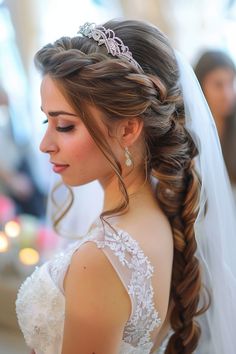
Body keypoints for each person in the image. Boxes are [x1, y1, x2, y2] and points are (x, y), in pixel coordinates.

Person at [15, 19, 236, 354]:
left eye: (64, 125)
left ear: (128, 129)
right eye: (47, 120)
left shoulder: (103, 259)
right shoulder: (157, 215)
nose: (45, 144)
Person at [194, 50, 236, 185]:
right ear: (200, 86)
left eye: (231, 83)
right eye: (218, 85)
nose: (227, 94)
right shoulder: (190, 131)